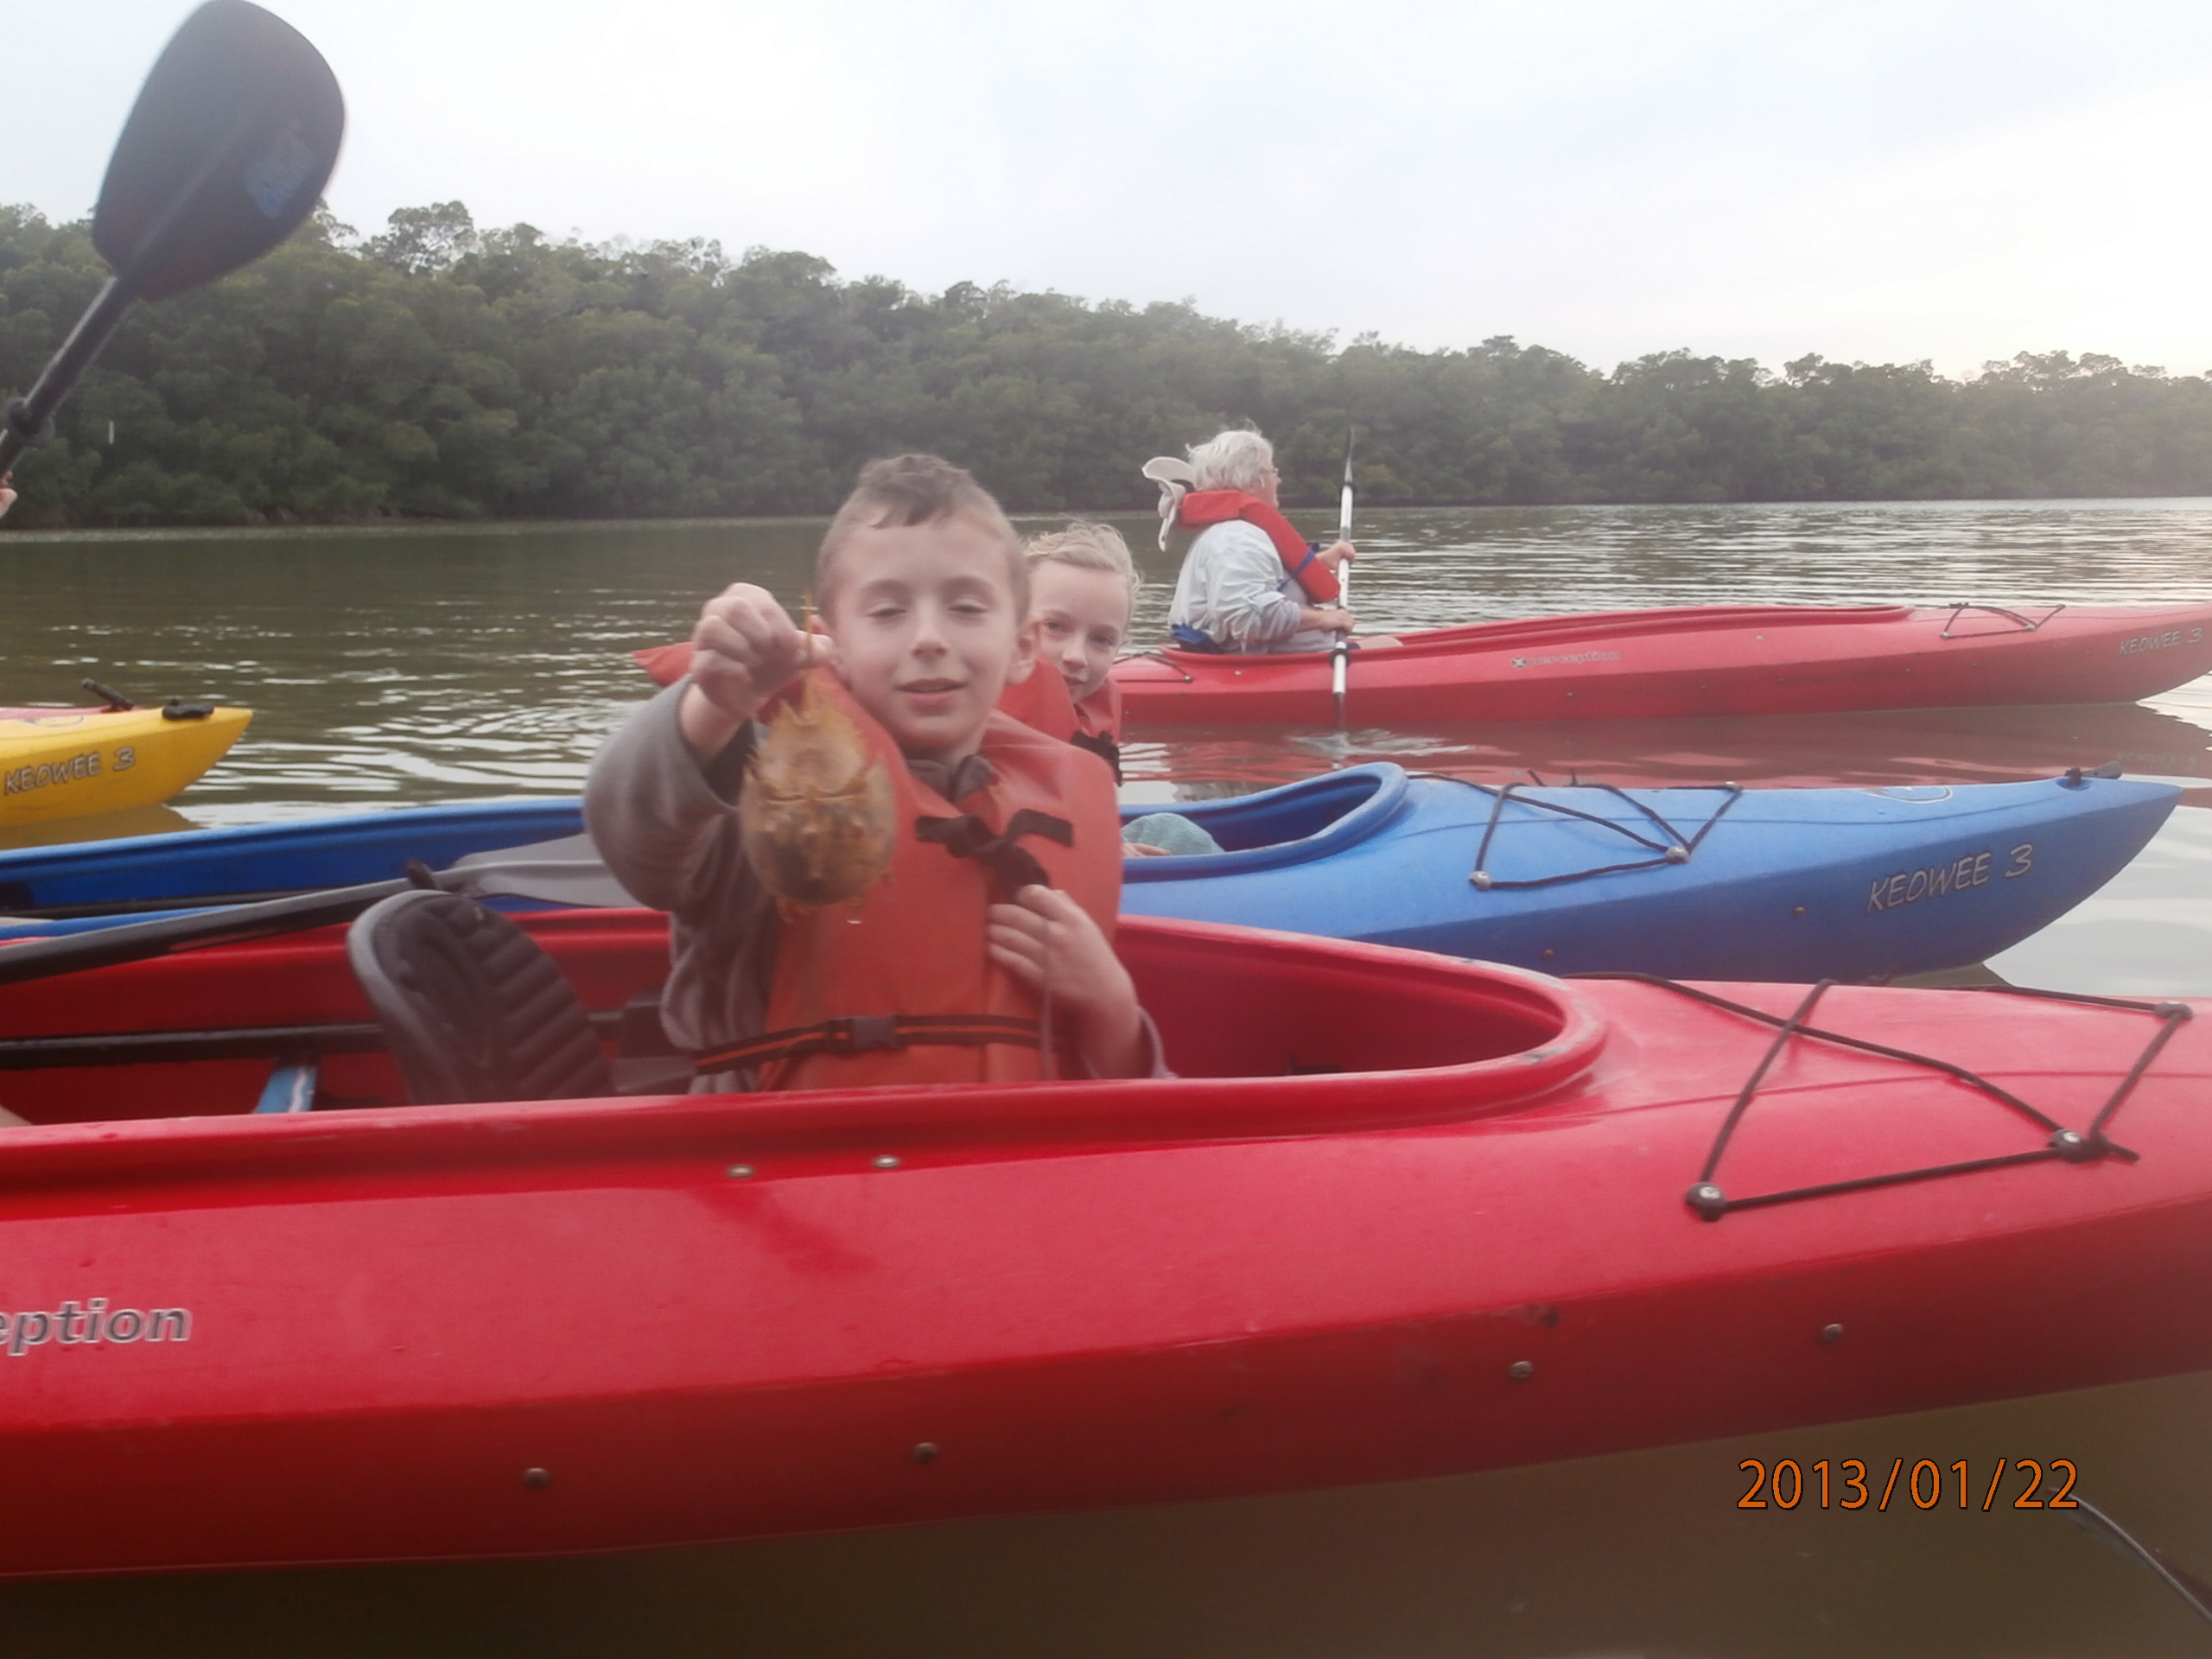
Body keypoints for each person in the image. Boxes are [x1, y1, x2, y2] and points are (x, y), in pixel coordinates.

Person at [585, 454, 1159, 1091]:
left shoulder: (1058, 797)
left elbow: (1128, 1104)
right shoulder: (769, 789)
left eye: (966, 607)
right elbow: (636, 841)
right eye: (887, 612)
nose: (928, 638)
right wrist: (714, 706)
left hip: (1009, 1151)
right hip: (790, 1151)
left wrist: (1111, 1004)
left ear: (1021, 648)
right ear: (830, 644)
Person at [1002, 520, 1223, 857]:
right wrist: (1100, 851)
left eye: (1101, 640)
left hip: (1074, 850)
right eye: (1055, 626)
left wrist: (1111, 844)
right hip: (1020, 867)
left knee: (1172, 830)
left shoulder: (1087, 710)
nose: (1076, 656)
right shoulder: (971, 714)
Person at [1159, 429, 1354, 653]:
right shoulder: (1236, 539)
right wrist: (1324, 619)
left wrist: (1321, 561)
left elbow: (1260, 583)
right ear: (1252, 482)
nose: (1278, 480)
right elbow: (1247, 614)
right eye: (1273, 471)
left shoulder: (1231, 535)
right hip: (1276, 665)